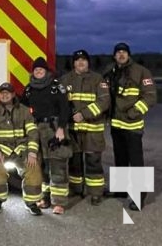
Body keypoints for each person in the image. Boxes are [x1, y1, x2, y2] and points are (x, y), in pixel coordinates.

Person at [104, 42, 157, 211]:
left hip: (133, 124)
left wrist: (135, 112)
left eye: (124, 52)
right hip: (116, 124)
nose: (121, 55)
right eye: (118, 52)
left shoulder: (141, 71)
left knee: (136, 161)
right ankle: (120, 190)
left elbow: (150, 96)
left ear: (128, 55)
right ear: (114, 56)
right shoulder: (109, 71)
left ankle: (139, 196)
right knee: (120, 158)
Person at [0, 82, 43, 215]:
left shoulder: (24, 111)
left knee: (33, 166)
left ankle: (31, 202)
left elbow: (33, 132)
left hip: (21, 149)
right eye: (2, 93)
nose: (4, 95)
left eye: (7, 93)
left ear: (13, 95)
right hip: (1, 149)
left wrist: (32, 152)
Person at [21, 57, 71, 215]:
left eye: (41, 69)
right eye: (36, 70)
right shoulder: (29, 89)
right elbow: (22, 107)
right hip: (36, 129)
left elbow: (65, 109)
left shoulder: (56, 87)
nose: (38, 71)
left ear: (46, 71)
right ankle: (44, 198)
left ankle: (59, 203)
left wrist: (61, 128)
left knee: (57, 165)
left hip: (53, 128)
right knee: (40, 165)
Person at [60, 49, 110, 206]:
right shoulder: (65, 80)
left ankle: (96, 193)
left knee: (93, 161)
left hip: (92, 129)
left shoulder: (98, 79)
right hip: (73, 130)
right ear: (73, 63)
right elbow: (60, 103)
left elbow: (104, 101)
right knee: (74, 161)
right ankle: (76, 189)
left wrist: (84, 114)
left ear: (88, 62)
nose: (80, 62)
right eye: (77, 60)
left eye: (84, 60)